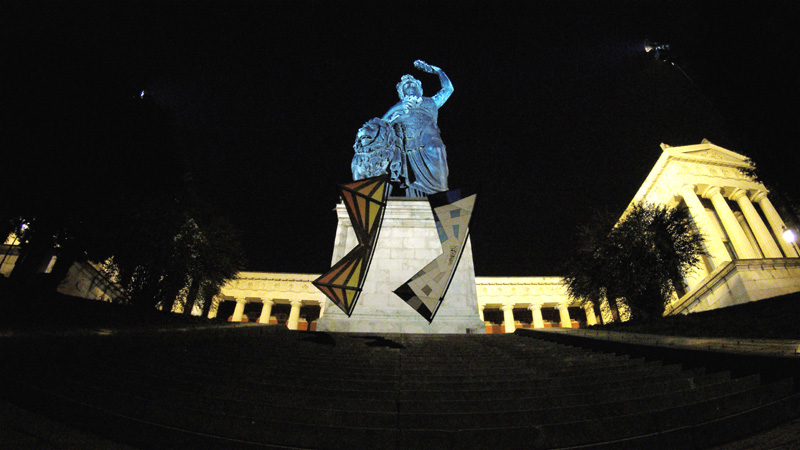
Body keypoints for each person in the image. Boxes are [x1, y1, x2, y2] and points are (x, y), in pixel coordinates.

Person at [381, 60, 453, 196]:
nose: (409, 86)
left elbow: (448, 89)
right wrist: (397, 107)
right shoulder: (400, 107)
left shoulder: (430, 101)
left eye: (412, 83)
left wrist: (437, 70)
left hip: (428, 136)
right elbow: (380, 125)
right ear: (402, 92)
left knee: (437, 148)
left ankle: (440, 195)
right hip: (407, 146)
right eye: (406, 85)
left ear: (419, 87)